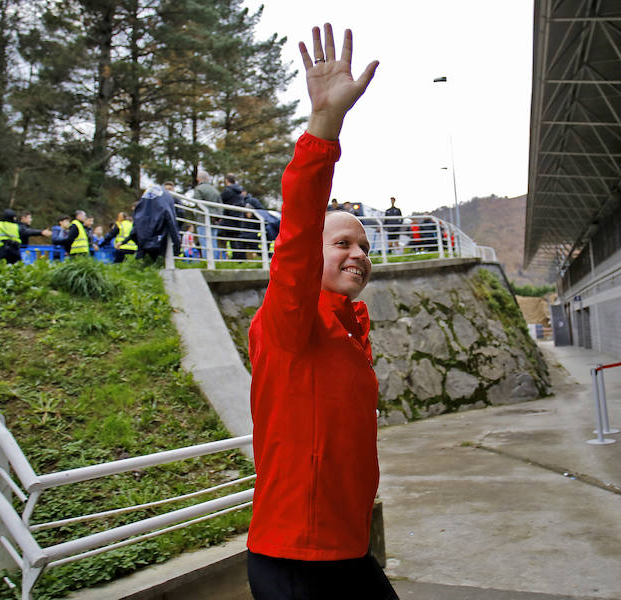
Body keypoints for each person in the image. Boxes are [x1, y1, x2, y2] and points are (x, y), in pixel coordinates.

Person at [245, 23, 396, 600]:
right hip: (293, 562)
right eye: (342, 244)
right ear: (310, 253)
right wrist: (326, 122)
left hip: (348, 551)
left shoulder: (349, 332)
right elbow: (301, 214)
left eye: (364, 246)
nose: (358, 253)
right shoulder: (290, 321)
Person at [127, 185, 180, 262]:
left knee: (141, 263)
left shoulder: (143, 201)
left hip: (143, 240)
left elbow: (136, 225)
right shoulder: (166, 198)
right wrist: (177, 246)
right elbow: (172, 221)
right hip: (158, 239)